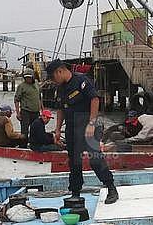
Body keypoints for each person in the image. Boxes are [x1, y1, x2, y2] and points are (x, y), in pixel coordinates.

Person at [47, 59, 118, 204]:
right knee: (74, 161)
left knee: (95, 159)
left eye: (53, 77)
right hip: (72, 128)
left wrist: (91, 123)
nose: (54, 81)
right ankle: (75, 191)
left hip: (88, 125)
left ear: (59, 71)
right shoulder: (61, 88)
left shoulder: (81, 81)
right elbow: (60, 109)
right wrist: (58, 130)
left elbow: (95, 100)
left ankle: (111, 188)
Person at [14, 68, 42, 137]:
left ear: (32, 77)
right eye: (26, 77)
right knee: (24, 131)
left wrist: (42, 110)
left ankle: (34, 145)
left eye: (29, 77)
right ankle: (23, 146)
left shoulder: (36, 84)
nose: (27, 79)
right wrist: (17, 113)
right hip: (25, 112)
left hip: (36, 112)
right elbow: (16, 100)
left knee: (36, 130)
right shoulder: (21, 86)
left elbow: (40, 98)